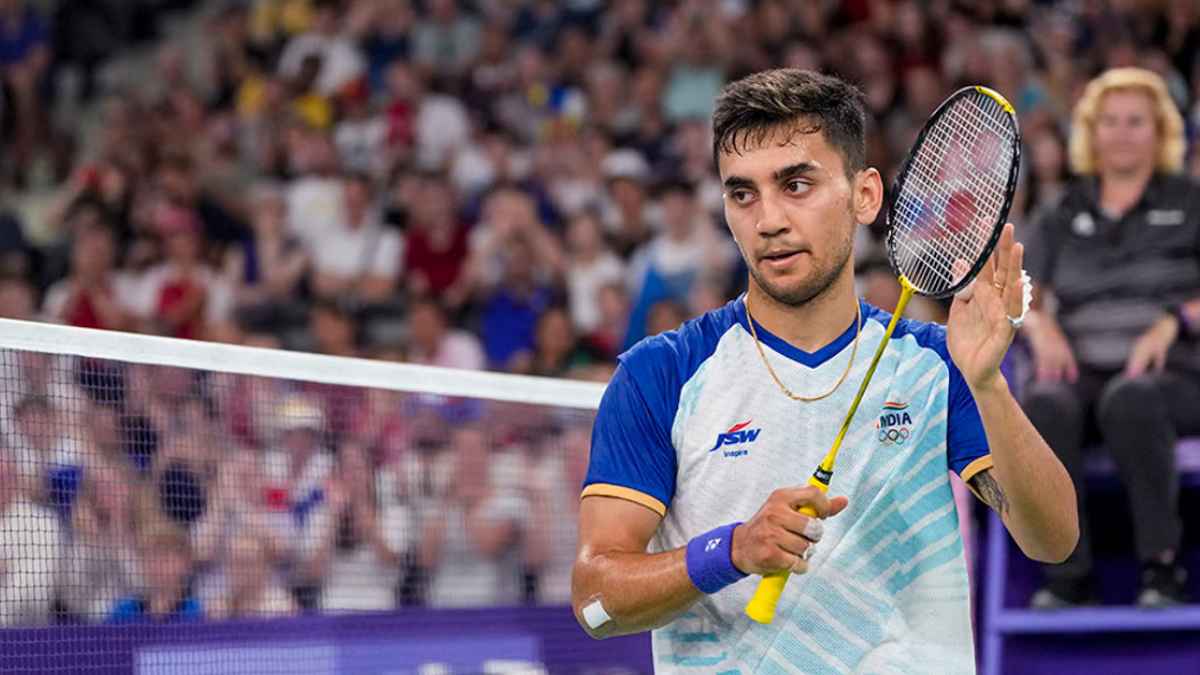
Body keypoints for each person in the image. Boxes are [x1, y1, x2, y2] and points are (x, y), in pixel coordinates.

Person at [572, 69, 1078, 672]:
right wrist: (730, 551)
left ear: (865, 195)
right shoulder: (661, 374)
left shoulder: (938, 366)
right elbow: (595, 602)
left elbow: (1052, 541)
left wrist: (988, 384)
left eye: (796, 185)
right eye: (743, 194)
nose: (769, 221)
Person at [1022, 67, 1200, 608]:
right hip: (1081, 366)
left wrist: (1174, 320)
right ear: (1091, 132)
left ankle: (1161, 570)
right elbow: (1016, 290)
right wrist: (1041, 324)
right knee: (1043, 403)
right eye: (1110, 121)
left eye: (1136, 122)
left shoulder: (1191, 201)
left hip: (1175, 370)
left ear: (1160, 132)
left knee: (1132, 399)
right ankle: (1069, 577)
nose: (1121, 133)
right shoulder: (1061, 209)